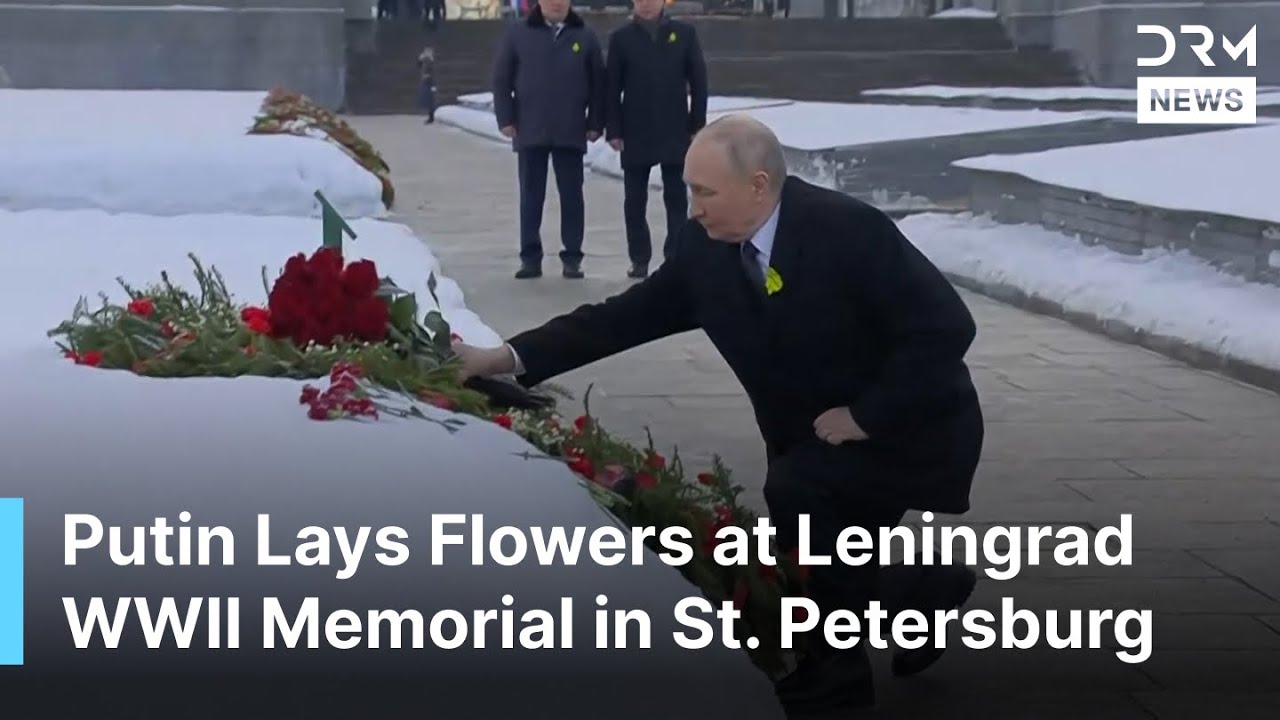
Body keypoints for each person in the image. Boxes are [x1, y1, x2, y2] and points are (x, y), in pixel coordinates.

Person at [453, 114, 984, 716]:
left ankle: (839, 677)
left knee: (803, 504)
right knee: (808, 552)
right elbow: (622, 318)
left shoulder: (847, 230)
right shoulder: (705, 250)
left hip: (907, 426)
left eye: (705, 192)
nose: (694, 208)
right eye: (689, 191)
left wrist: (867, 415)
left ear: (759, 186)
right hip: (809, 435)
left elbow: (946, 327)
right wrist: (506, 357)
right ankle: (922, 590)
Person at [491, 0, 606, 280]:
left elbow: (599, 84)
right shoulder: (518, 34)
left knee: (572, 197)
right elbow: (502, 78)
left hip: (570, 129)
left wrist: (595, 124)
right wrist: (505, 118)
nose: (556, 3)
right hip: (531, 128)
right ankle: (530, 258)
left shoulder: (585, 36)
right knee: (531, 197)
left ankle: (572, 257)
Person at [605, 0, 708, 279]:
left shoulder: (684, 34)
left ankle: (674, 256)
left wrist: (697, 124)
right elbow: (611, 88)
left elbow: (699, 81)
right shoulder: (621, 39)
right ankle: (639, 258)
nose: (647, 4)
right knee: (634, 201)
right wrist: (613, 129)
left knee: (676, 199)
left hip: (675, 130)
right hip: (635, 131)